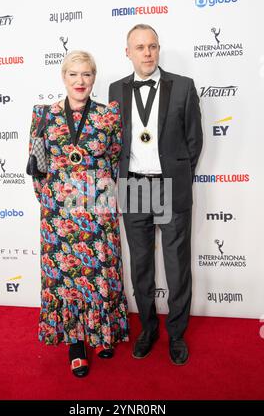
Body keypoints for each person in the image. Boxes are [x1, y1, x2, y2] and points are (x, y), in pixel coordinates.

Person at [29, 51, 129, 378]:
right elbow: (37, 164)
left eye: (86, 74)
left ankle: (102, 332)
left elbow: (115, 159)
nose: (80, 81)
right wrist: (50, 203)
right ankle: (76, 344)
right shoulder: (44, 115)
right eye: (73, 74)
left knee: (100, 269)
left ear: (94, 77)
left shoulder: (108, 115)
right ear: (63, 77)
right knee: (68, 279)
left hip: (98, 209)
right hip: (59, 214)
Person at [109, 25, 203, 365]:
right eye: (139, 47)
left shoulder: (183, 87)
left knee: (178, 267)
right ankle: (148, 330)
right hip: (133, 186)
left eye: (152, 46)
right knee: (142, 266)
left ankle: (176, 335)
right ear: (128, 52)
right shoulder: (115, 90)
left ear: (158, 49)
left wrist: (178, 176)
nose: (147, 53)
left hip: (169, 186)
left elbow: (195, 141)